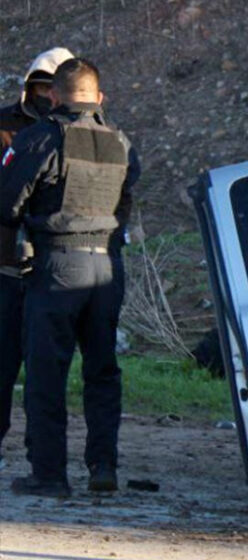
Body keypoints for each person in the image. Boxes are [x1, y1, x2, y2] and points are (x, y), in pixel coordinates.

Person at [0, 57, 139, 497]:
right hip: (106, 267)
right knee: (102, 371)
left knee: (47, 373)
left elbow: (7, 203)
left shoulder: (43, 137)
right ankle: (103, 467)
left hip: (58, 266)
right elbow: (125, 202)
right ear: (99, 98)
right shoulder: (121, 142)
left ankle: (50, 475)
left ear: (56, 97)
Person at [0, 47, 75, 471]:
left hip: (53, 270)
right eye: (41, 87)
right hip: (5, 266)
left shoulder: (76, 133)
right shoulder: (4, 125)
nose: (47, 96)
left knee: (45, 372)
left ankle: (40, 455)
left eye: (53, 88)